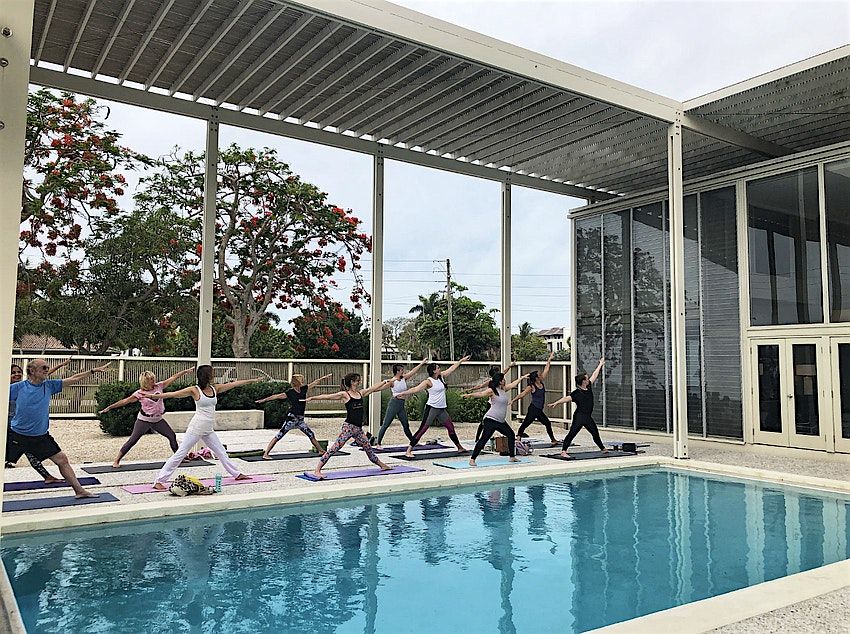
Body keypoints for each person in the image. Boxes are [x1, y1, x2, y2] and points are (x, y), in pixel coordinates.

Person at [6, 358, 111, 497]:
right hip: (17, 435)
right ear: (32, 370)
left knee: (62, 460)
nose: (47, 370)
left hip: (40, 437)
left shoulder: (49, 385)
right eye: (43, 367)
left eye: (47, 367)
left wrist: (92, 371)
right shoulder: (17, 388)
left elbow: (74, 379)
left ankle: (80, 491)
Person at [147, 366, 261, 490]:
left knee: (221, 452)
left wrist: (252, 381)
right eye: (211, 373)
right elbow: (174, 394)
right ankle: (158, 480)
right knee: (180, 453)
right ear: (206, 375)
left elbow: (234, 384)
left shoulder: (214, 388)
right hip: (197, 427)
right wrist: (154, 397)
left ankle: (237, 474)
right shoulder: (194, 390)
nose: (213, 375)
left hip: (208, 429)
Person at [99, 368, 195, 468]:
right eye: (151, 379)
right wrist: (110, 407)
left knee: (171, 436)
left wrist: (185, 371)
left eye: (153, 378)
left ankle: (179, 458)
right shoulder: (139, 393)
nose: (153, 381)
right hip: (143, 420)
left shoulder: (159, 386)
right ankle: (116, 460)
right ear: (145, 382)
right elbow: (125, 401)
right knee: (133, 440)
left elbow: (173, 377)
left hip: (158, 420)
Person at [307, 373, 393, 480]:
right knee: (335, 448)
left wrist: (385, 382)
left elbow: (373, 388)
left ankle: (382, 465)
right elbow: (328, 396)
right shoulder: (345, 395)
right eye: (357, 380)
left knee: (368, 448)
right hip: (348, 428)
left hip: (358, 429)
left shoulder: (361, 393)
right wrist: (313, 398)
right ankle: (317, 470)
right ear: (352, 382)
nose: (359, 382)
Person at [395, 356, 471, 458]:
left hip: (441, 409)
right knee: (423, 429)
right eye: (438, 368)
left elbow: (452, 368)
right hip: (432, 408)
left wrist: (461, 360)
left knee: (451, 428)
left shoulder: (441, 377)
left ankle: (459, 447)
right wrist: (403, 393)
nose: (440, 369)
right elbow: (415, 389)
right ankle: (408, 450)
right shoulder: (428, 381)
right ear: (434, 371)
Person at [5, 362, 65, 482]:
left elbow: (44, 376)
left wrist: (60, 365)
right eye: (13, 373)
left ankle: (47, 476)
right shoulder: (10, 388)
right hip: (11, 427)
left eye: (18, 372)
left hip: (25, 429)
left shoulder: (28, 385)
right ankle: (47, 476)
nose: (16, 374)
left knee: (31, 453)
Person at [255, 372, 333, 458]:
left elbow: (314, 383)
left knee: (311, 434)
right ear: (297, 382)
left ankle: (321, 451)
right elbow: (276, 396)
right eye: (301, 380)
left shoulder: (304, 389)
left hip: (300, 419)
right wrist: (263, 400)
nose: (303, 381)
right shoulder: (290, 392)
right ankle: (266, 454)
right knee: (279, 436)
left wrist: (324, 378)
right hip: (292, 418)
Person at [463, 372, 528, 466]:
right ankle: (472, 459)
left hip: (500, 421)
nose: (505, 381)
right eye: (503, 379)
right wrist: (470, 395)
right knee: (484, 439)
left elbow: (514, 384)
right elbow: (481, 393)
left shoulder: (503, 389)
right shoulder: (492, 390)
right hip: (491, 419)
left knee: (510, 434)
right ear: (500, 381)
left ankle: (512, 457)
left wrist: (522, 377)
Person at [547, 358, 608, 458]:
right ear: (583, 381)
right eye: (587, 379)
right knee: (572, 433)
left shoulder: (588, 387)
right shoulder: (576, 393)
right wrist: (556, 403)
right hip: (579, 417)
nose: (588, 379)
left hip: (588, 417)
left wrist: (600, 364)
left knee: (595, 432)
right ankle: (563, 451)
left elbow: (594, 375)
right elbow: (566, 398)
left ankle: (603, 449)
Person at [375, 358, 428, 448]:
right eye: (402, 370)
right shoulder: (392, 382)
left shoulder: (403, 378)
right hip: (394, 403)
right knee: (386, 424)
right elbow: (380, 388)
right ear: (398, 371)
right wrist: (371, 390)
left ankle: (412, 441)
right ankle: (378, 443)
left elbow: (413, 371)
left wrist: (422, 362)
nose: (403, 372)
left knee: (405, 424)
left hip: (401, 404)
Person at [511, 352, 559, 445]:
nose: (541, 375)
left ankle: (553, 440)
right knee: (526, 424)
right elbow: (523, 394)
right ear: (536, 378)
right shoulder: (532, 386)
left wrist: (550, 359)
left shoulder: (541, 382)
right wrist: (513, 400)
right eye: (538, 375)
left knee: (547, 423)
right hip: (533, 409)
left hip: (539, 410)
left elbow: (546, 370)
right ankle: (518, 438)